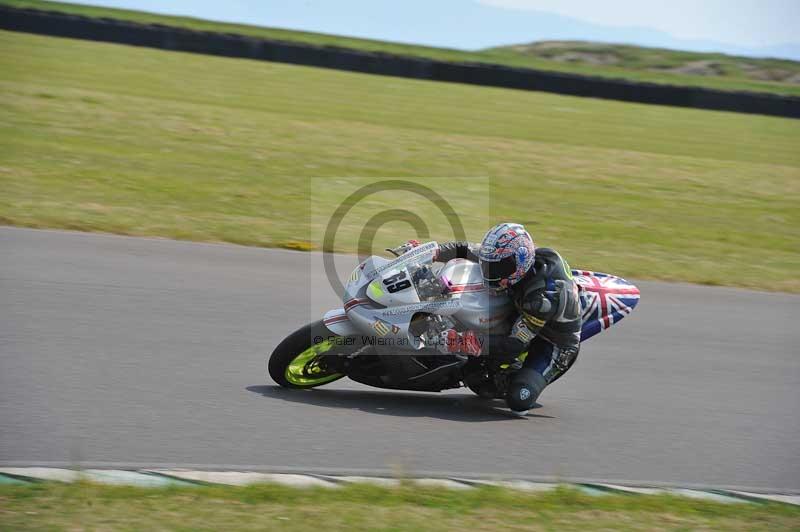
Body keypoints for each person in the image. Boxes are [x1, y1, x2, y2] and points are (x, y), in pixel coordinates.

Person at [424, 223, 582, 415]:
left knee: (518, 399)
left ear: (520, 263)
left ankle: (512, 374)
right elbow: (468, 250)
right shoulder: (509, 259)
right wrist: (433, 251)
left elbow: (514, 345)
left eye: (497, 266)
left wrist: (464, 341)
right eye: (488, 264)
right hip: (519, 311)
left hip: (552, 343)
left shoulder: (539, 301)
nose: (489, 270)